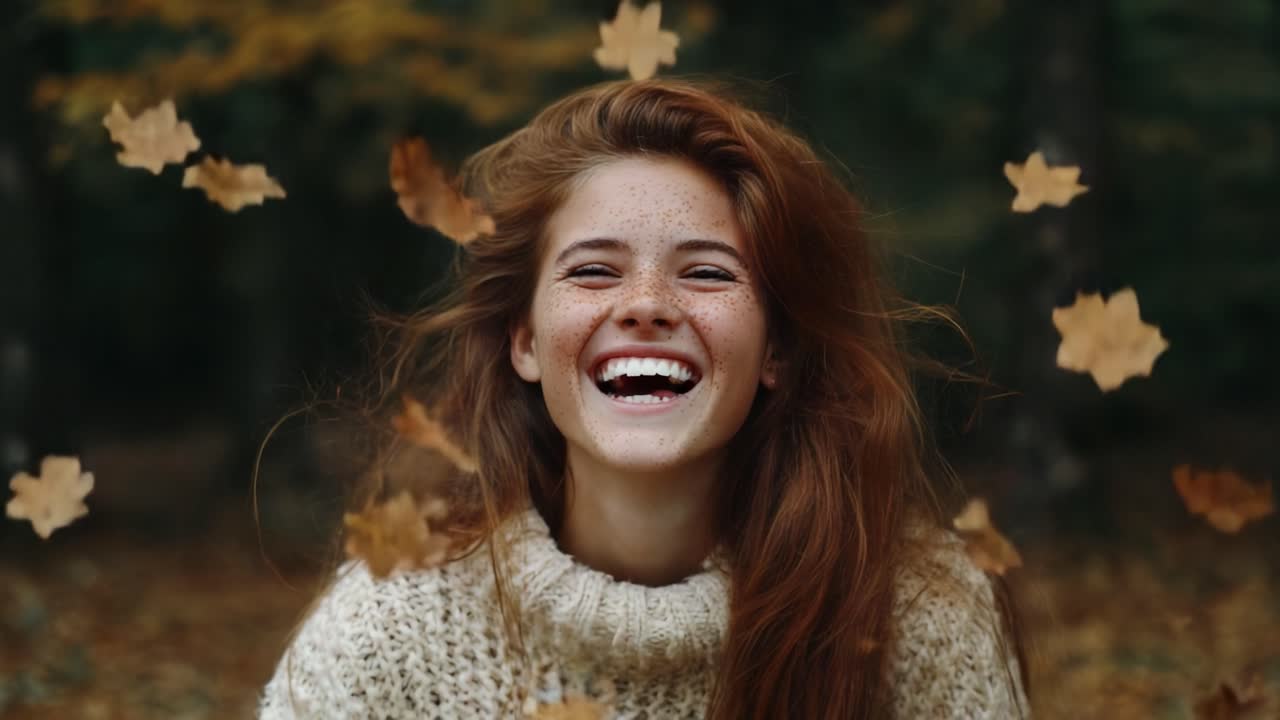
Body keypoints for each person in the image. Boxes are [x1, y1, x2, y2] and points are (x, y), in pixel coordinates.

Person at [258, 77, 1030, 719]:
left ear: (778, 352)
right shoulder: (389, 632)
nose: (648, 305)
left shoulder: (920, 619)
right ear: (524, 341)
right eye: (594, 271)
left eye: (707, 273)